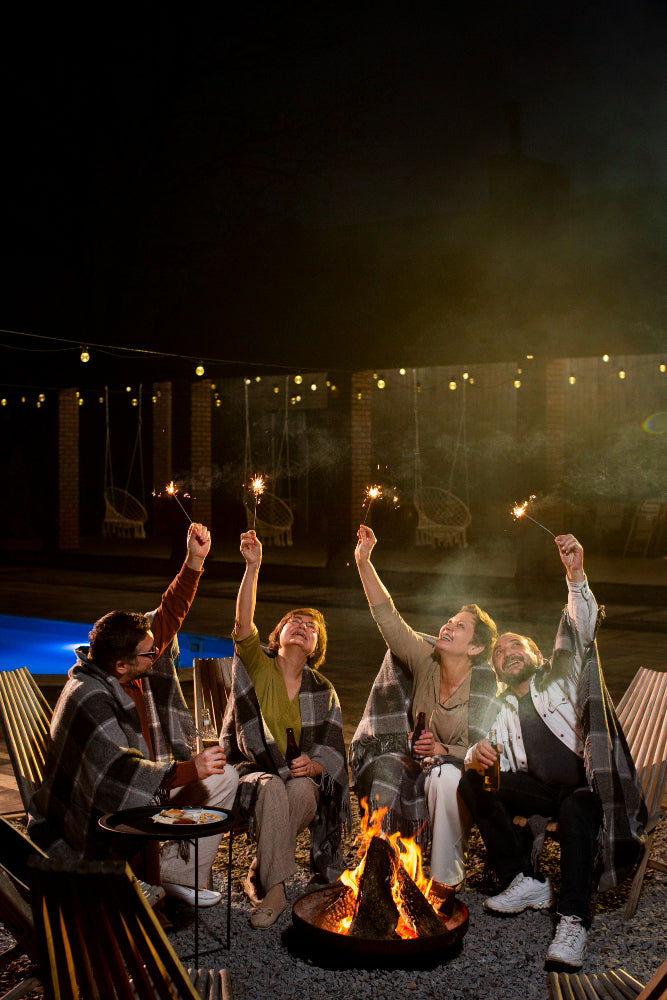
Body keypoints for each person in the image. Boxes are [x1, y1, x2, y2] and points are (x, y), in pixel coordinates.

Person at [458, 533, 647, 969]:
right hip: (544, 794)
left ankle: (573, 920)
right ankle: (523, 879)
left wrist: (575, 576)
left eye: (516, 645)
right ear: (497, 669)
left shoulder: (562, 675)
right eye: (499, 652)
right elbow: (495, 762)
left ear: (536, 653)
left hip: (588, 788)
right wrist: (474, 755)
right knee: (472, 780)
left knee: (577, 807)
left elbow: (582, 629)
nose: (507, 653)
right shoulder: (501, 709)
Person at [28, 522, 239, 908]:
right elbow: (116, 780)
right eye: (149, 653)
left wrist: (194, 561)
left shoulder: (125, 660)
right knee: (201, 776)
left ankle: (177, 876)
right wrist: (189, 769)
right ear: (122, 666)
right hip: (98, 812)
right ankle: (150, 878)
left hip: (149, 784)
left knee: (226, 777)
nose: (157, 653)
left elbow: (168, 614)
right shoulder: (88, 698)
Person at [349, 524, 499, 888]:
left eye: (460, 626)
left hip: (465, 780)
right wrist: (364, 561)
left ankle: (446, 879)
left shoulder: (485, 687)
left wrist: (444, 750)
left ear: (475, 647)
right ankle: (384, 869)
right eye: (450, 620)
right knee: (393, 769)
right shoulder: (425, 660)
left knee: (444, 777)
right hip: (423, 768)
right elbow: (389, 618)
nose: (448, 626)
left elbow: (488, 751)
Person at [222, 529, 350, 930]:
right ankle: (275, 891)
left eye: (311, 627)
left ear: (316, 646)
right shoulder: (258, 666)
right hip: (250, 774)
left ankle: (261, 868)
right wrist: (253, 565)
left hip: (296, 783)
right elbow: (242, 622)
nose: (301, 626)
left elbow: (332, 754)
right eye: (294, 621)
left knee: (300, 789)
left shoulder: (322, 690)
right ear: (277, 635)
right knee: (275, 787)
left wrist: (314, 766)